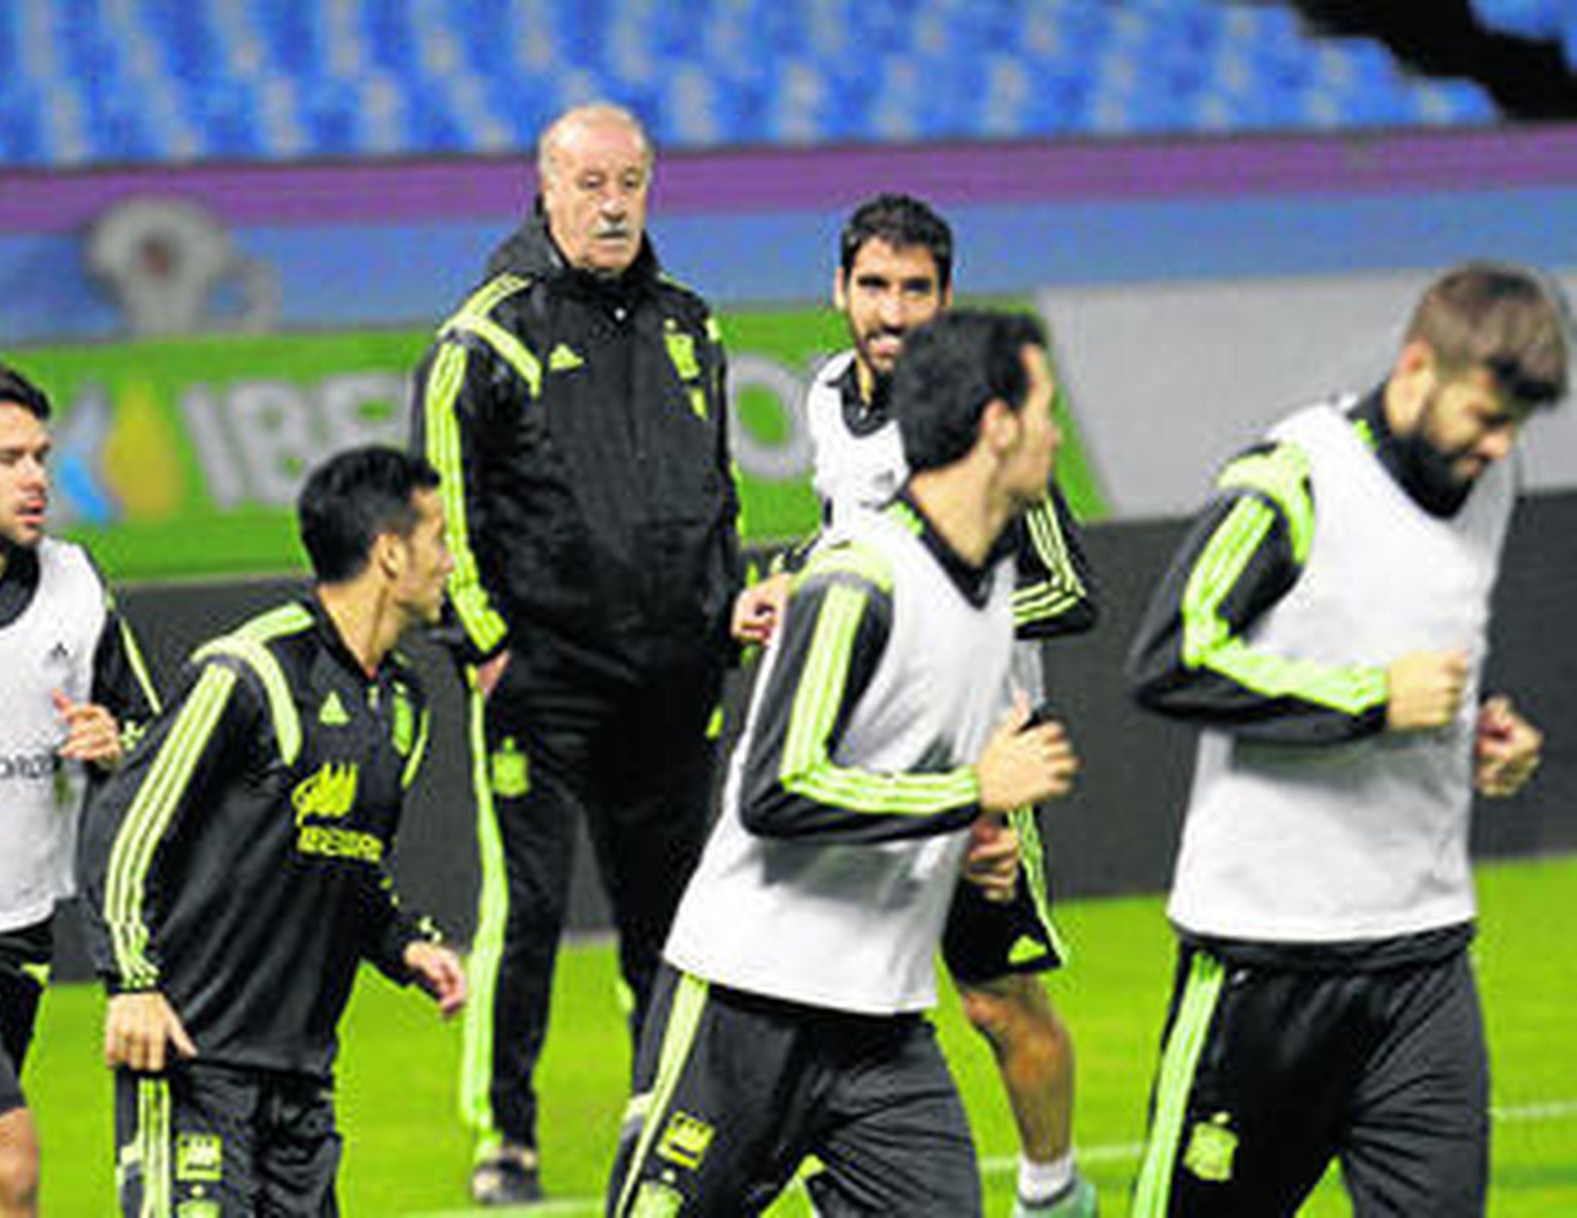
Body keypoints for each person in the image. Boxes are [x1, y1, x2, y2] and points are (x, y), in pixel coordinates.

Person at [607, 309, 1081, 1216]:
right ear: (997, 426)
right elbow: (778, 789)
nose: (1056, 434)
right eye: (1045, 410)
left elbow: (913, 780)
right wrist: (969, 792)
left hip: (882, 1029)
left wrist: (975, 845)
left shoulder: (992, 593)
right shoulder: (858, 578)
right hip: (745, 1005)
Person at [1124, 261, 1566, 1217]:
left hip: (1424, 959)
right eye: (1486, 420)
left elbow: (1423, 652)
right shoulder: (1292, 480)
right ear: (1417, 366)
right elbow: (1170, 655)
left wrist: (1486, 732)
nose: (1497, 449)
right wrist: (1370, 699)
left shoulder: (1488, 479)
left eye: (1515, 430)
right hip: (1265, 959)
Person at [410, 101, 780, 1205]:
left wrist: (720, 612)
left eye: (630, 181)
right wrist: (483, 648)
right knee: (522, 914)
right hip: (544, 682)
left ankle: (655, 1101)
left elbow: (717, 492)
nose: (613, 203)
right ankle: (504, 1138)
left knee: (671, 918)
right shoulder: (486, 333)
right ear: (547, 187)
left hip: (673, 678)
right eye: (590, 183)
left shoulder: (690, 325)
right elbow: (445, 507)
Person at [801, 192, 1099, 1217]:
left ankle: (1054, 1194)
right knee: (821, 989)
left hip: (983, 756)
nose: (891, 311)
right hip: (866, 761)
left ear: (946, 296)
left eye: (914, 289)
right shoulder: (823, 397)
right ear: (839, 291)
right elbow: (842, 542)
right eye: (873, 287)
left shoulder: (986, 417)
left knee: (994, 1003)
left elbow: (1067, 586)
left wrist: (936, 601)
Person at [78, 445, 468, 1217]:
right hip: (193, 1064)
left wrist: (402, 944)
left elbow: (346, 861)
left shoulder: (404, 705)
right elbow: (126, 821)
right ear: (391, 553)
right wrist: (132, 983)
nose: (454, 563)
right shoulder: (248, 671)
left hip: (301, 1086)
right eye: (441, 540)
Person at [0, 357, 158, 1217]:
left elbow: (159, 744)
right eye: (6, 459)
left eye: (40, 455)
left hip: (20, 930)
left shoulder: (78, 586)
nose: (36, 477)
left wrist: (115, 744)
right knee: (9, 1164)